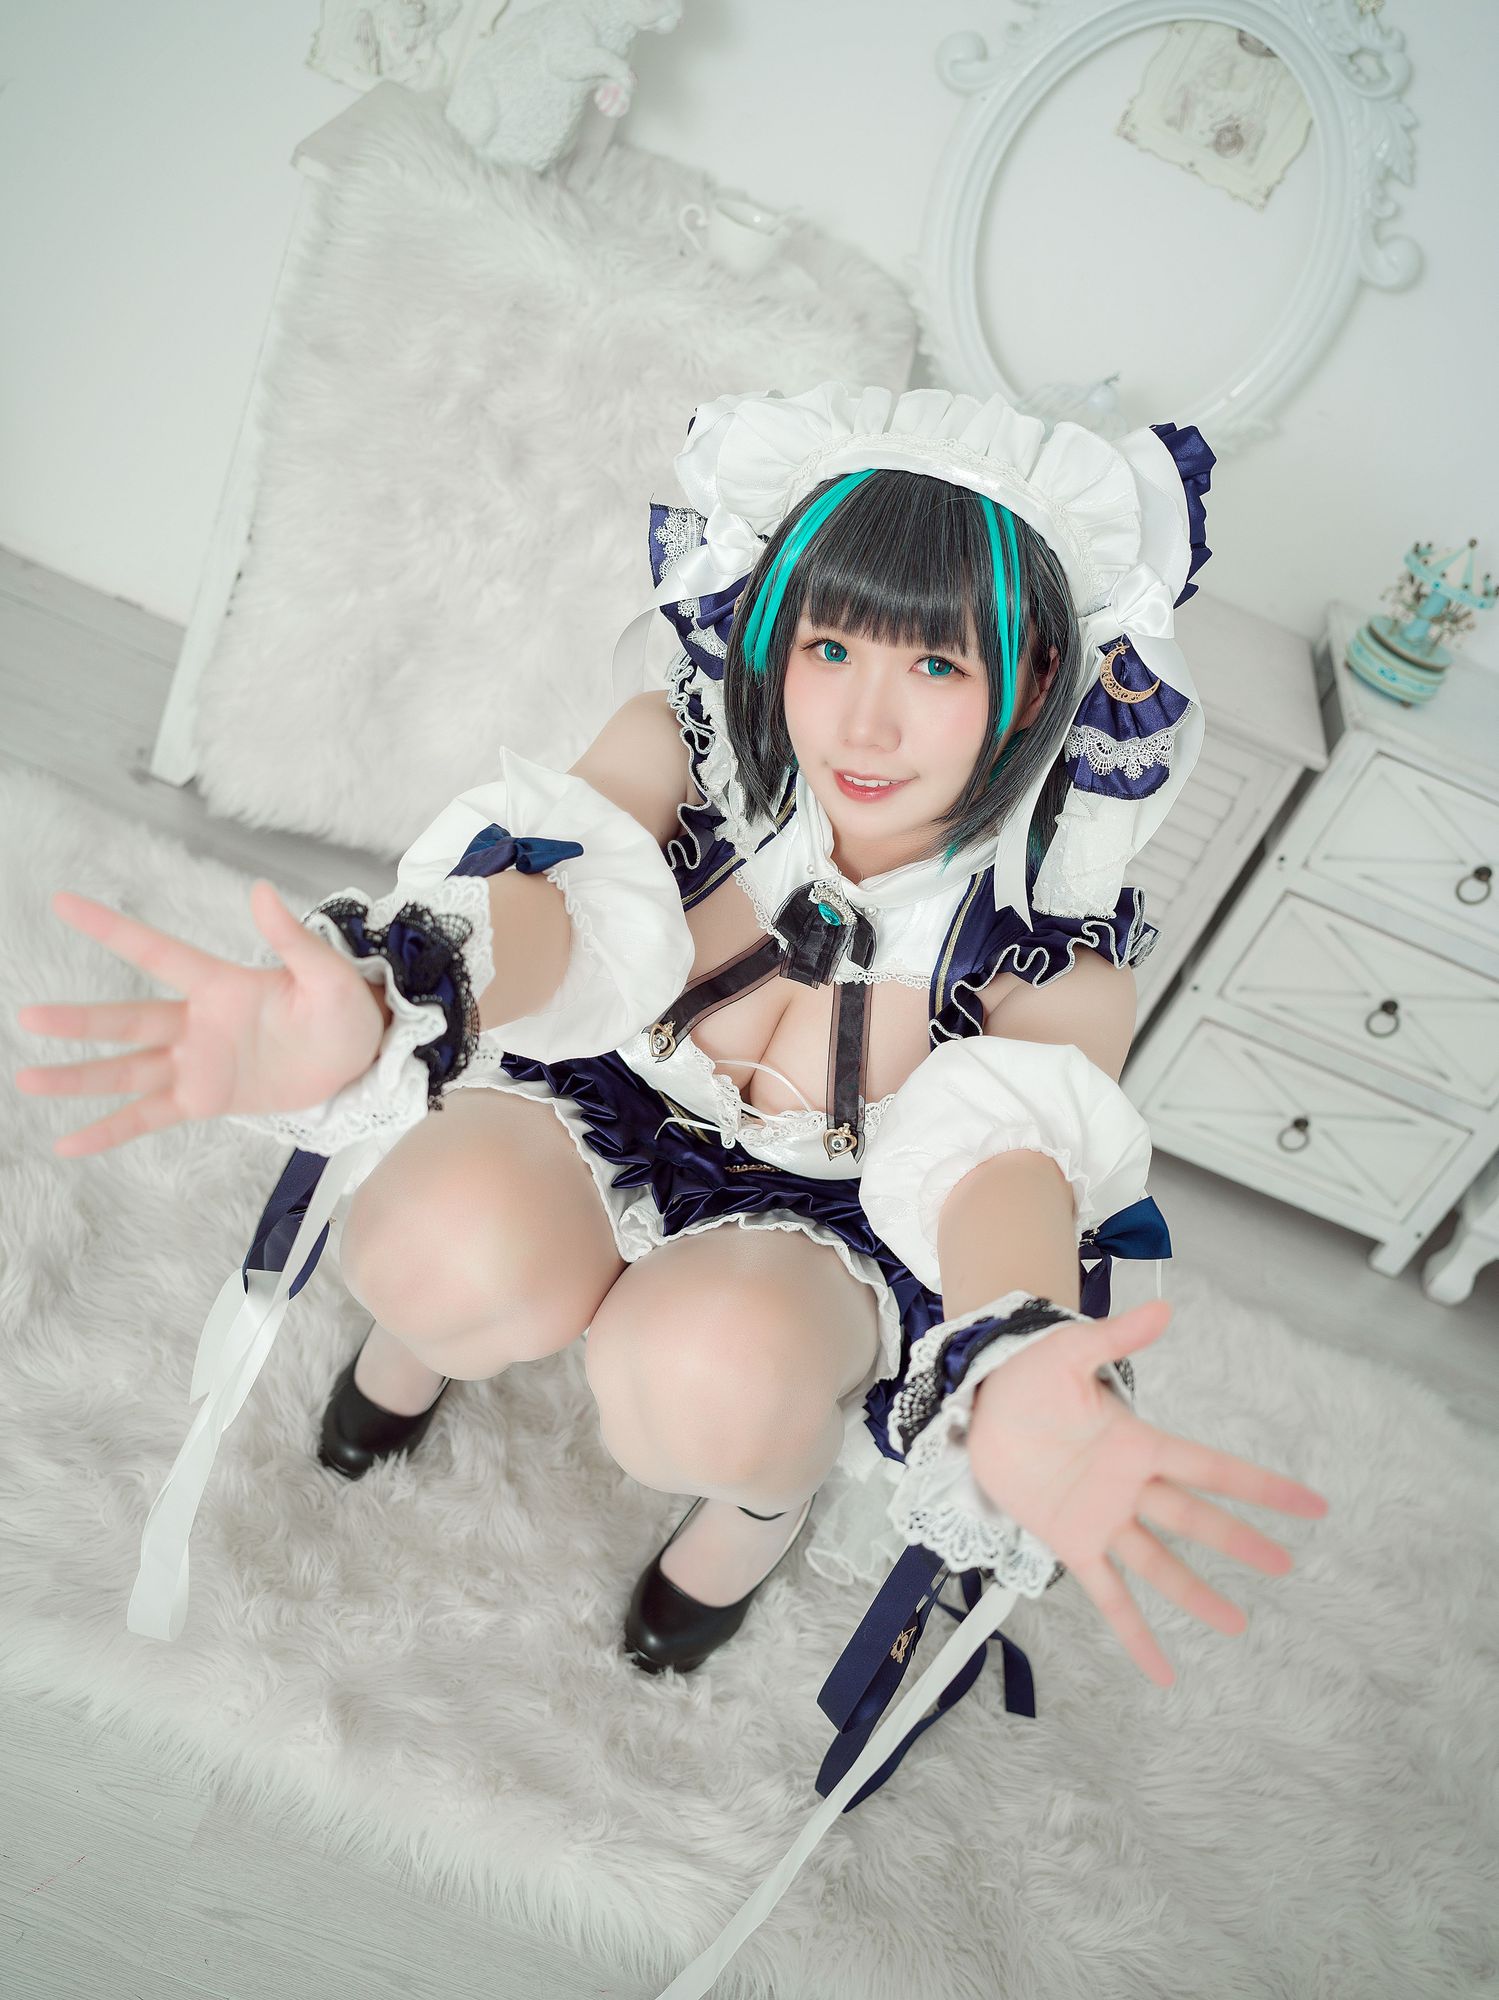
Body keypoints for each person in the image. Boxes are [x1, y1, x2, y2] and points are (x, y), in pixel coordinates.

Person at [14, 382, 1330, 1995]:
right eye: (831, 647)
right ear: (770, 626)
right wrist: (383, 997)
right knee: (429, 1236)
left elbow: (1000, 1156)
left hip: (830, 1228)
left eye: (937, 667)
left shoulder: (1052, 947)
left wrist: (1015, 1342)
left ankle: (757, 1505)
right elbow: (560, 911)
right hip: (610, 1094)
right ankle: (427, 1340)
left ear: (1038, 681)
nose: (865, 724)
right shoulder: (681, 753)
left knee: (700, 1380)